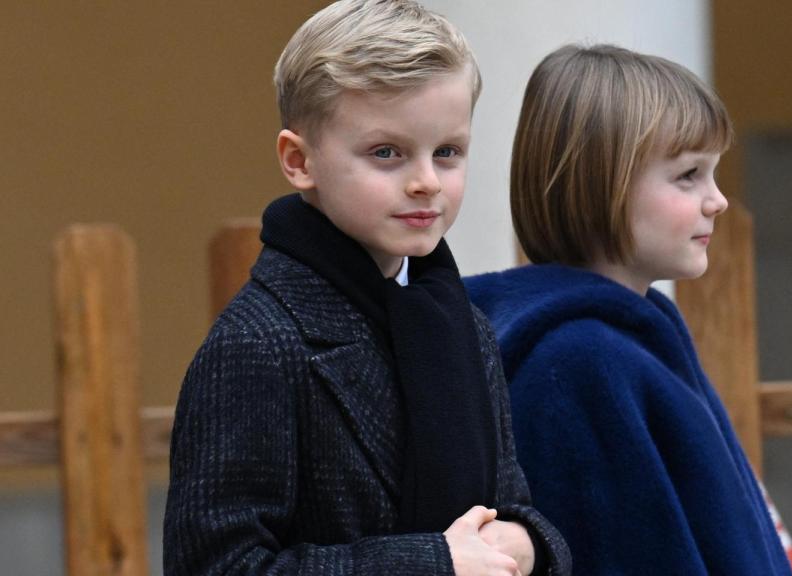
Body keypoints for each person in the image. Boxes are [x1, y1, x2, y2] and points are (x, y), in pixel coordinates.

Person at [162, 2, 570, 575]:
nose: (426, 180)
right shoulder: (258, 344)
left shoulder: (461, 325)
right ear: (299, 160)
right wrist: (433, 564)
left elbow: (510, 504)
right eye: (387, 153)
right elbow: (219, 567)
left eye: (447, 152)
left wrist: (529, 542)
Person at [466, 44, 792, 575]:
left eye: (713, 173)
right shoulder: (580, 359)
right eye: (688, 175)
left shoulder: (636, 332)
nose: (717, 200)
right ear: (601, 183)